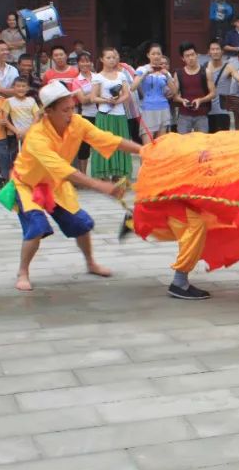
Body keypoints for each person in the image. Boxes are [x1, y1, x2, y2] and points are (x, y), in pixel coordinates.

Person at [11, 82, 142, 292]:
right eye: (65, 110)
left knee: (81, 224)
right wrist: (99, 185)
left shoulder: (77, 122)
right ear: (48, 112)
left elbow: (107, 139)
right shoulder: (36, 137)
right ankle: (23, 271)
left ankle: (90, 262)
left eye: (72, 108)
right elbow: (64, 169)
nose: (70, 114)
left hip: (55, 185)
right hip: (28, 185)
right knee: (36, 227)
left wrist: (143, 150)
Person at [91, 48, 133, 181]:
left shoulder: (121, 75)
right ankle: (103, 172)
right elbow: (93, 97)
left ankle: (118, 172)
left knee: (120, 143)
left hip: (119, 114)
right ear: (102, 59)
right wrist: (106, 100)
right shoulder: (97, 77)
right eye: (108, 57)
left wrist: (117, 101)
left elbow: (127, 93)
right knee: (104, 143)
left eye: (114, 57)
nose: (111, 60)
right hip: (104, 114)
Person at [171, 42, 215, 135]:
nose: (191, 58)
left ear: (197, 55)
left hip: (202, 115)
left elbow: (213, 93)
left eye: (192, 55)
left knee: (202, 143)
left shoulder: (206, 72)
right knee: (183, 143)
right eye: (187, 56)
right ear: (183, 58)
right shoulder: (178, 73)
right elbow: (174, 96)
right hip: (184, 115)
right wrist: (182, 100)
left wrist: (200, 100)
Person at [135, 54, 174, 142]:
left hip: (163, 107)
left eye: (165, 63)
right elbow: (133, 87)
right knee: (148, 143)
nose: (163, 65)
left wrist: (167, 78)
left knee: (161, 144)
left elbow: (174, 91)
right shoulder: (142, 69)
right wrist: (146, 73)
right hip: (148, 108)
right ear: (148, 55)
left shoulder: (166, 74)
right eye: (153, 54)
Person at [204, 40, 235, 133]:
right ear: (209, 52)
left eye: (217, 49)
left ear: (222, 51)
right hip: (206, 111)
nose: (215, 51)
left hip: (223, 112)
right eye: (212, 49)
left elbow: (238, 77)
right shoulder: (204, 67)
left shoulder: (229, 67)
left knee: (222, 142)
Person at [7, 78, 41, 148]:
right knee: (17, 156)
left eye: (23, 86)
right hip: (16, 135)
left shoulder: (31, 100)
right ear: (13, 87)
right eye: (18, 86)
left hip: (31, 133)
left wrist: (27, 131)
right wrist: (17, 131)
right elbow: (5, 120)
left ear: (28, 88)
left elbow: (37, 117)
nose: (21, 88)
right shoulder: (8, 101)